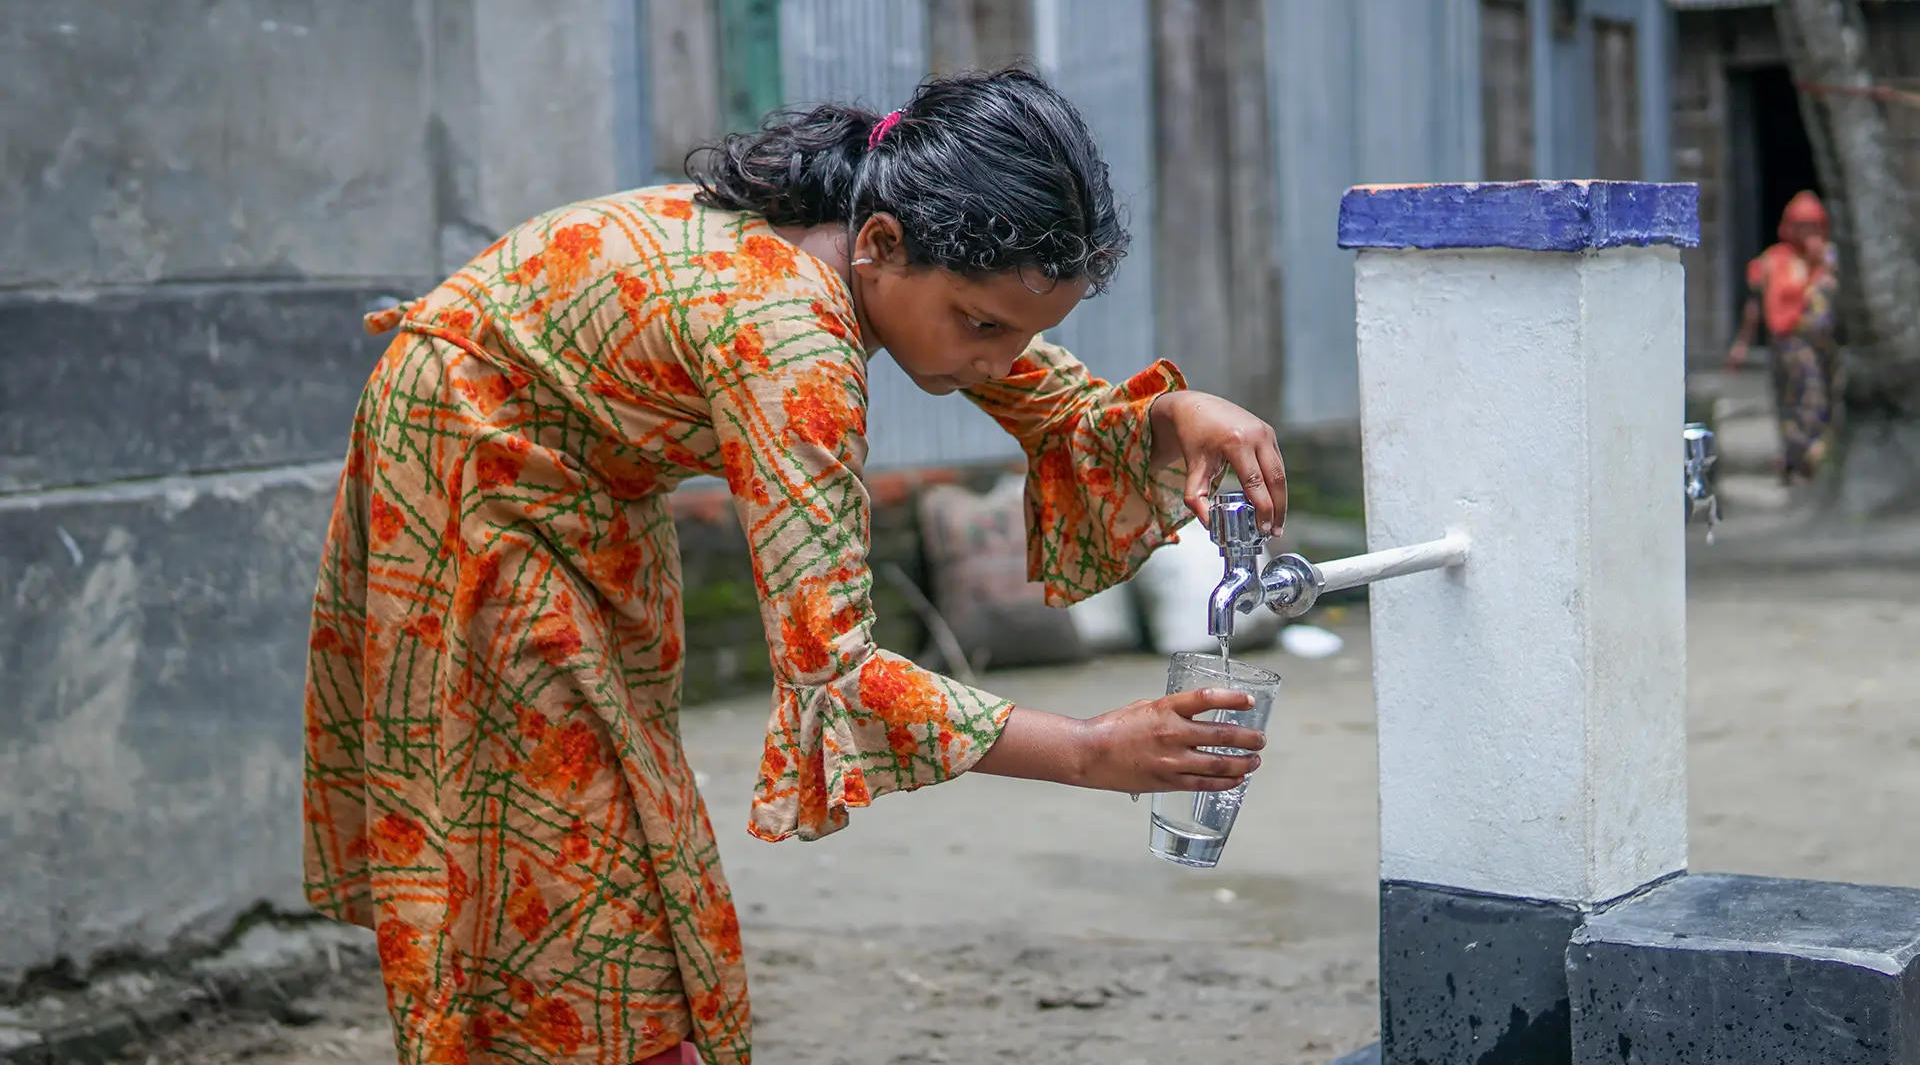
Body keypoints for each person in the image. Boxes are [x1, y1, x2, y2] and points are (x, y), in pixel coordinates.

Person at [301, 67, 1287, 1065]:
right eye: (983, 326)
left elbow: (1046, 396)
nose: (1001, 360)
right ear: (882, 245)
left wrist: (1169, 414)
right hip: (469, 466)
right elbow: (834, 670)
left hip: (579, 474)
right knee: (547, 828)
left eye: (1028, 333)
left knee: (621, 811)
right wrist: (1084, 751)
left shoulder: (859, 247)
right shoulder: (789, 338)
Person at [1728, 190, 1841, 484]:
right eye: (1802, 225)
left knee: (1815, 401)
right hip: (1784, 343)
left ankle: (1809, 465)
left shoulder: (1827, 259)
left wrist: (1822, 265)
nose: (1809, 233)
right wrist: (1742, 344)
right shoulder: (1773, 260)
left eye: (1815, 225)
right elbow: (1754, 305)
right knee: (1787, 403)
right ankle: (1792, 466)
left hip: (1817, 345)